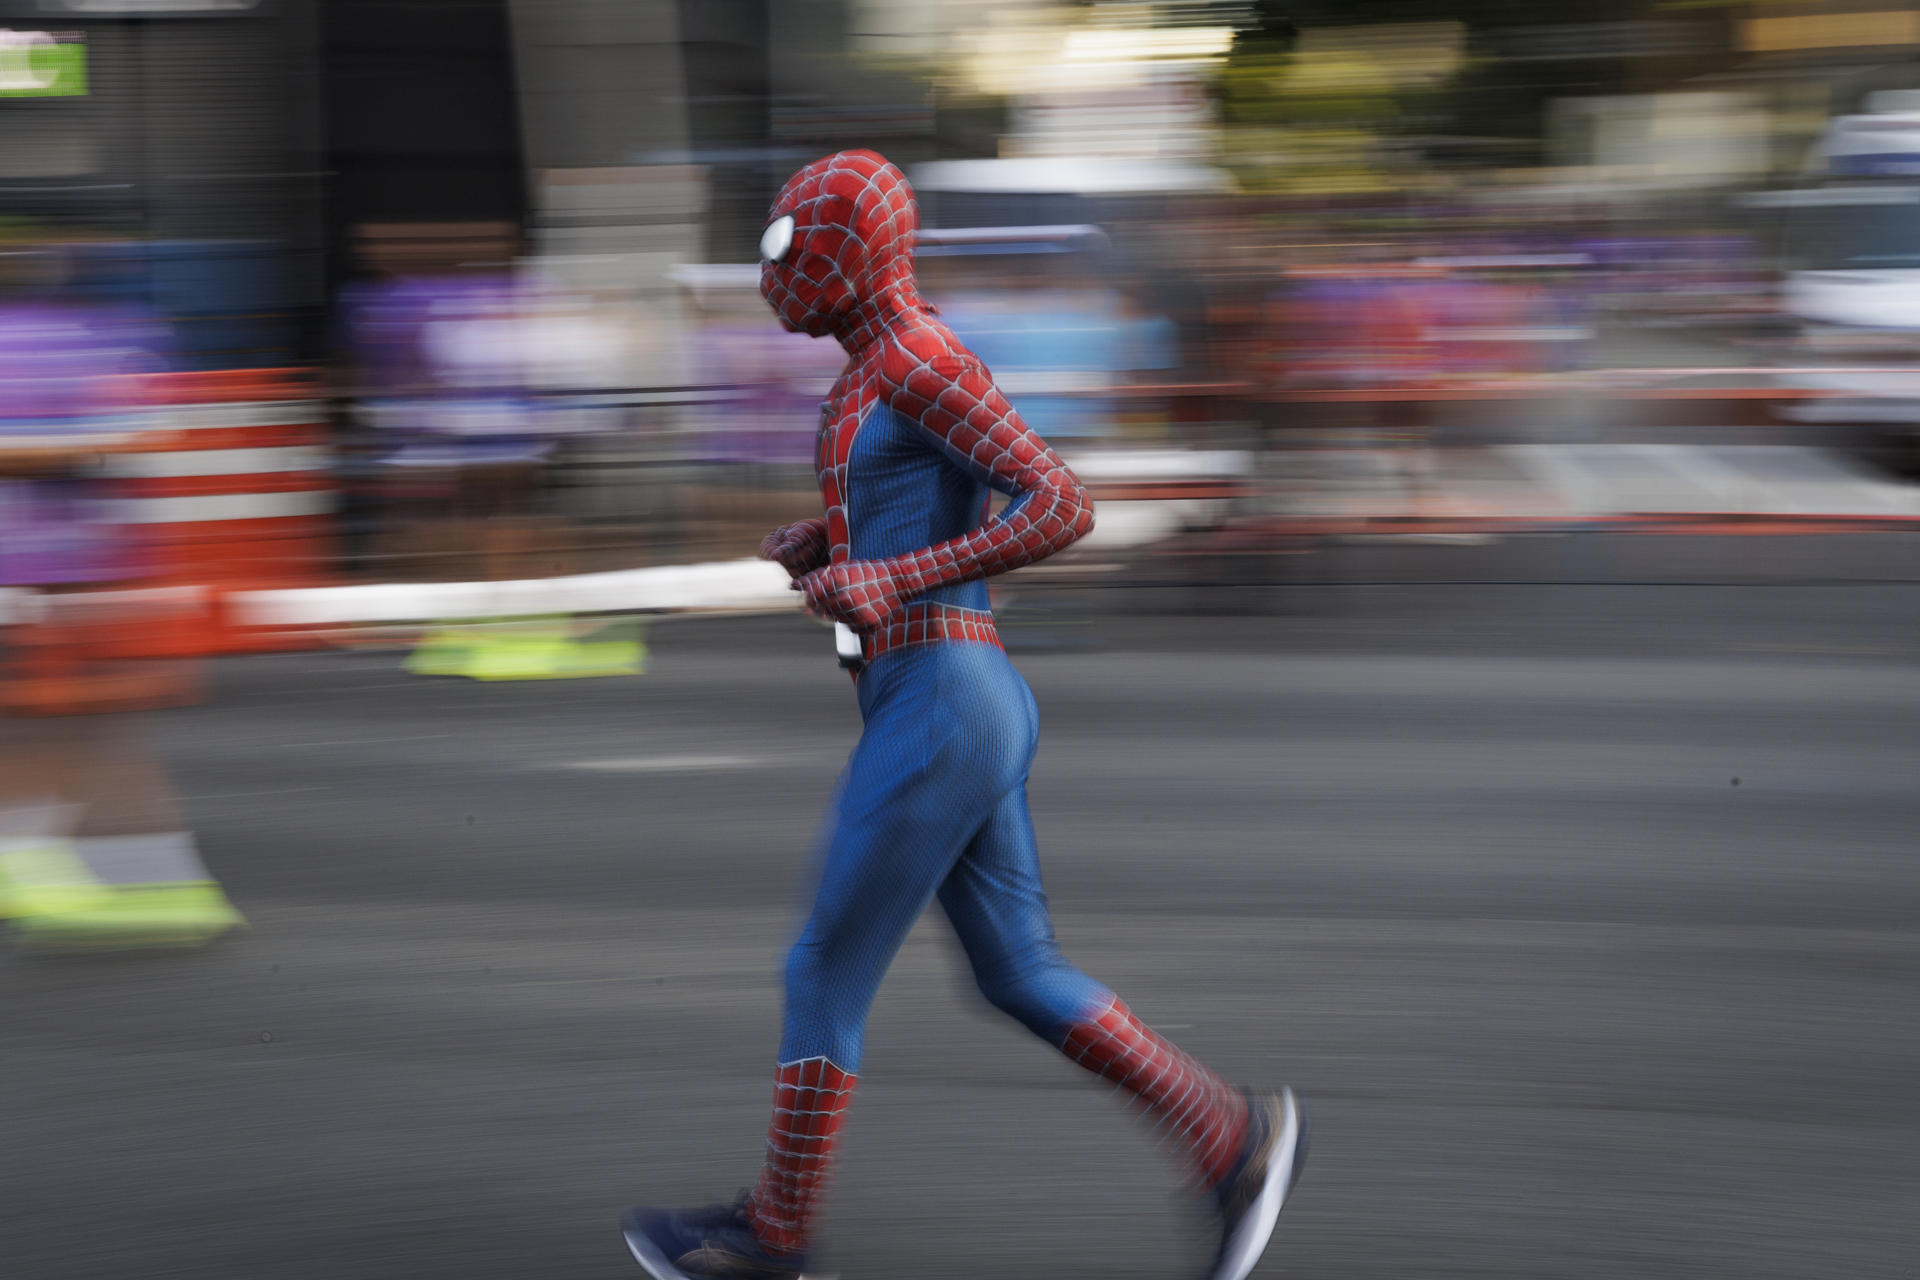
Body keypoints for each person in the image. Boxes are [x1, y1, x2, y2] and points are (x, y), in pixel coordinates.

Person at [622, 151, 1306, 1280]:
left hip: (939, 694)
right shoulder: (873, 372)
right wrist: (830, 542)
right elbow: (916, 498)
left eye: (793, 242)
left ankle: (773, 1237)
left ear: (848, 246)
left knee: (824, 969)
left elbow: (1061, 502)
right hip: (943, 696)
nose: (775, 268)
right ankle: (1228, 1137)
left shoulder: (919, 359)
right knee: (1019, 968)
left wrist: (894, 578)